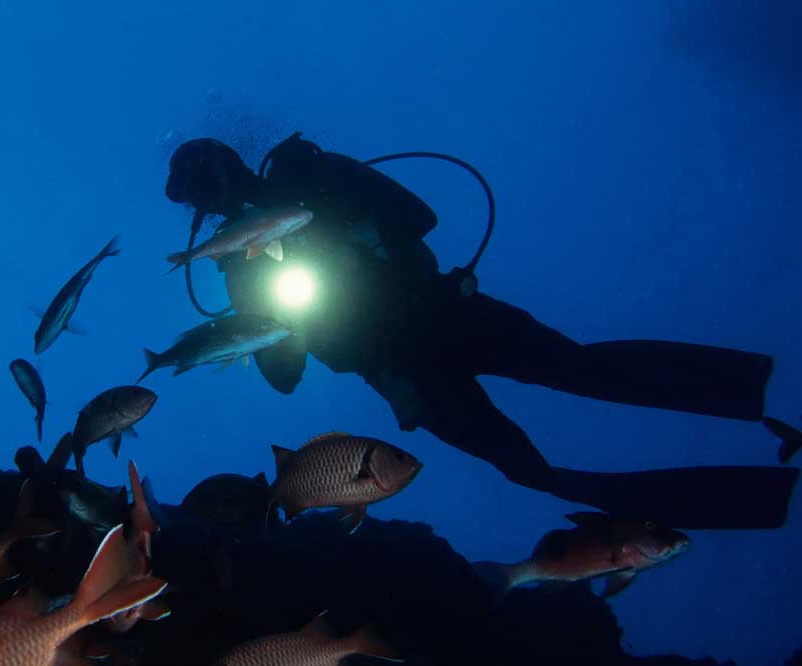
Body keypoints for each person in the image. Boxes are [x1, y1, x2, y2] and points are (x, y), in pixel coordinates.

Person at [164, 133, 799, 529]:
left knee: (582, 368)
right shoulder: (239, 268)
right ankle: (751, 499)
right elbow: (284, 377)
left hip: (446, 312)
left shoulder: (309, 176)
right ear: (202, 209)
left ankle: (761, 392)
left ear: (233, 161)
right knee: (527, 467)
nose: (219, 196)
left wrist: (347, 228)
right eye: (204, 195)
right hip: (404, 374)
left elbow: (420, 215)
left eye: (214, 178)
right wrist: (292, 329)